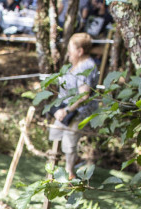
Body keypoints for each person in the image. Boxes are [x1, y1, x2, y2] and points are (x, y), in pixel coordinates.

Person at [49, 32, 98, 180]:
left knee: (69, 143)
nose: (68, 52)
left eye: (70, 48)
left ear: (80, 51)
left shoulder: (87, 67)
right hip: (64, 107)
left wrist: (67, 110)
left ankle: (69, 174)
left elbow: (84, 95)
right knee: (55, 135)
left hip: (76, 112)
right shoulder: (76, 63)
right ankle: (56, 168)